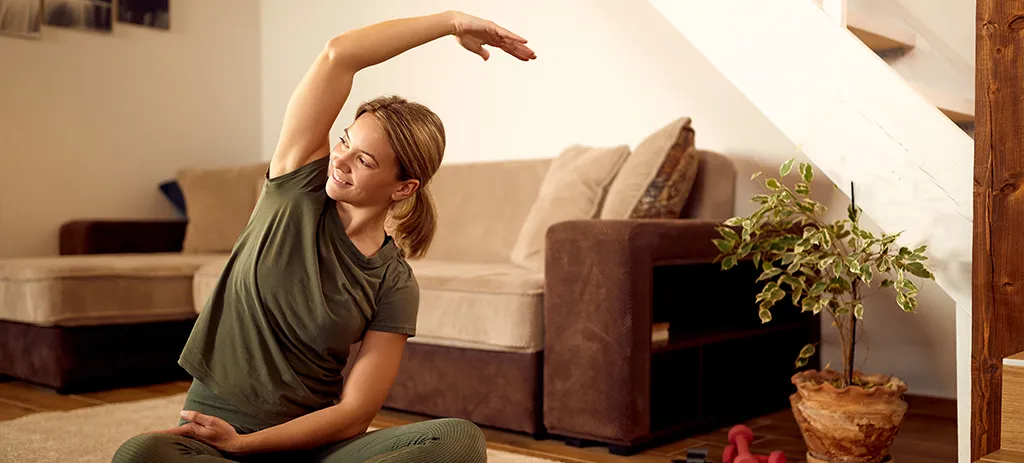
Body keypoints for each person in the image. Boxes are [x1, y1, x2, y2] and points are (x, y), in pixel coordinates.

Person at [112, 10, 535, 463]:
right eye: (345, 141)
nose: (341, 159)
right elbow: (338, 56)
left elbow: (354, 415)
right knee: (141, 454)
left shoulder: (394, 283)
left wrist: (248, 445)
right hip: (211, 443)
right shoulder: (295, 189)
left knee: (458, 441)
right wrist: (450, 22)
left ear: (403, 187)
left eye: (365, 160)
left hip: (307, 448)